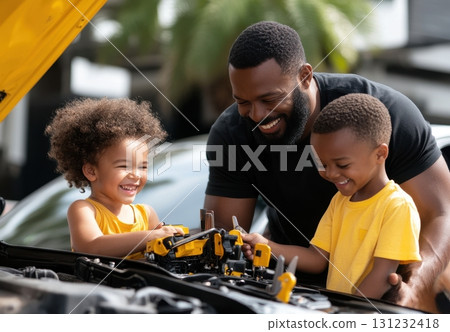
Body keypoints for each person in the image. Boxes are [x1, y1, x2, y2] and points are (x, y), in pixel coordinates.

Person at [203, 21, 450, 311]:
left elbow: (441, 213)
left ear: (305, 76)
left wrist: (412, 288)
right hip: (296, 295)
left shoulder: (387, 116)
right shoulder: (232, 134)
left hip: (388, 294)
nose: (256, 115)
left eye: (269, 99)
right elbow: (223, 241)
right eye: (242, 101)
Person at [242, 93, 422, 299]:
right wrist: (266, 245)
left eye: (342, 165)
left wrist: (345, 316)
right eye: (322, 164)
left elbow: (382, 276)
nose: (331, 174)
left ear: (380, 154)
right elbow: (316, 259)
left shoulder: (397, 206)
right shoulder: (340, 201)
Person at [45, 98, 184, 259]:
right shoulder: (84, 210)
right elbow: (91, 247)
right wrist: (151, 237)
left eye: (142, 167)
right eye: (124, 166)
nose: (135, 175)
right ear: (91, 171)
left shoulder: (146, 214)